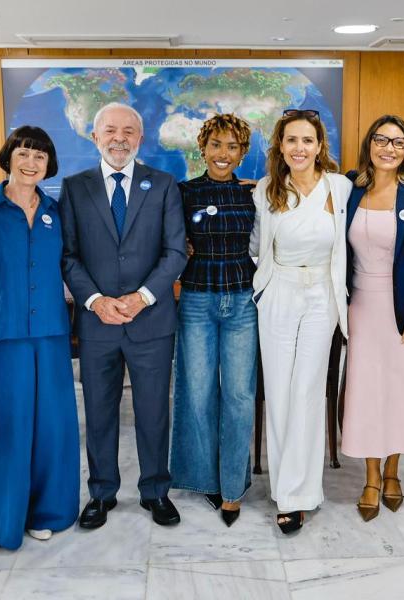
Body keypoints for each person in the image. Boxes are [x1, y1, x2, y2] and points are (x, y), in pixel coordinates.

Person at [59, 102, 187, 529]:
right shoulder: (75, 188)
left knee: (153, 411)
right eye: (110, 130)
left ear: (140, 138)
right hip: (98, 323)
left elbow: (174, 252)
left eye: (129, 131)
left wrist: (143, 297)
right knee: (98, 411)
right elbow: (69, 255)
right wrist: (95, 300)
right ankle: (101, 492)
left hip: (151, 321)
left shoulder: (165, 184)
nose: (119, 138)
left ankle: (155, 491)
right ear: (95, 137)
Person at [0, 126, 80, 550]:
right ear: (9, 156)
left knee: (53, 428)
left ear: (48, 164)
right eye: (24, 153)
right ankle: (0, 522)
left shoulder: (55, 212)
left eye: (40, 156)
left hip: (52, 333)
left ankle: (48, 512)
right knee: (6, 429)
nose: (31, 162)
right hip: (3, 333)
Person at [250, 108, 352, 534]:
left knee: (308, 390)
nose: (299, 148)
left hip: (322, 295)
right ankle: (283, 489)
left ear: (319, 145)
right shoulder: (266, 190)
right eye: (291, 140)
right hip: (278, 293)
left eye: (307, 140)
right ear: (280, 146)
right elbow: (258, 245)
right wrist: (264, 288)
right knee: (279, 389)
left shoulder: (341, 188)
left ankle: (301, 495)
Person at [340, 115, 404, 522]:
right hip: (362, 307)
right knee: (367, 392)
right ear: (369, 144)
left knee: (402, 391)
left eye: (398, 143)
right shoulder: (351, 188)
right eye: (381, 140)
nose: (389, 148)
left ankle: (393, 472)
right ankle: (369, 476)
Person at [169, 114, 258, 528]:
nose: (224, 154)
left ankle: (233, 485)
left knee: (239, 396)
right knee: (197, 392)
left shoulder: (254, 195)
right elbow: (167, 243)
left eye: (233, 147)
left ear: (243, 153)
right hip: (197, 302)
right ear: (202, 149)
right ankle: (204, 478)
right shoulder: (182, 193)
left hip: (242, 301)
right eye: (216, 145)